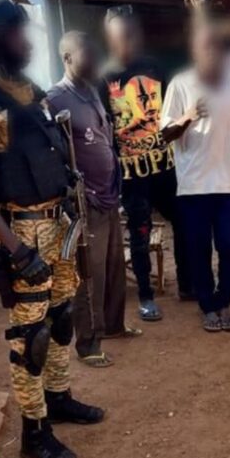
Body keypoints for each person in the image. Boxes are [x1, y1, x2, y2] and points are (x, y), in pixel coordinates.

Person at [0, 0, 104, 458]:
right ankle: (34, 433)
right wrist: (16, 250)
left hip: (58, 226)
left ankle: (58, 398)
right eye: (18, 32)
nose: (28, 41)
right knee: (30, 338)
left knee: (61, 319)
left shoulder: (31, 93)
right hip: (23, 233)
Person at [161, 18, 230, 332]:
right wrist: (187, 116)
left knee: (229, 247)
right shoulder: (180, 84)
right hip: (192, 187)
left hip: (226, 185)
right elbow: (165, 135)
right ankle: (208, 307)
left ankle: (224, 302)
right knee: (199, 250)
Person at [47, 31, 140, 369]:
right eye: (87, 55)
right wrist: (77, 192)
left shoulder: (91, 92)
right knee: (90, 274)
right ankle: (88, 343)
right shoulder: (55, 100)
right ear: (67, 58)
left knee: (114, 265)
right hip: (85, 202)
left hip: (109, 194)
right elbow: (53, 155)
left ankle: (114, 325)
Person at [102, 8, 192, 320]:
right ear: (110, 39)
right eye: (119, 36)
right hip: (132, 175)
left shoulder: (154, 68)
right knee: (139, 235)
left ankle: (186, 284)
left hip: (165, 168)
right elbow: (103, 129)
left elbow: (169, 113)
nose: (126, 41)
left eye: (130, 34)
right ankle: (145, 296)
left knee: (182, 224)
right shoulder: (104, 77)